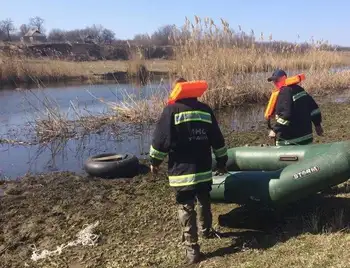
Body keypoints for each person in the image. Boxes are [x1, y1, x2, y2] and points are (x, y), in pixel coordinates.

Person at [149, 78, 228, 264]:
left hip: (182, 171)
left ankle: (192, 250)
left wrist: (154, 161)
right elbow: (218, 140)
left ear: (177, 91)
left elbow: (160, 141)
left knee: (186, 207)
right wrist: (222, 161)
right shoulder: (205, 110)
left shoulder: (171, 111)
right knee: (204, 200)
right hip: (203, 168)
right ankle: (207, 230)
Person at [266, 69, 324, 145]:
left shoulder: (284, 92)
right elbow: (314, 108)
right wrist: (317, 124)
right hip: (307, 137)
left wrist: (275, 130)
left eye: (277, 80)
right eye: (274, 81)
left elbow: (286, 115)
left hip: (291, 141)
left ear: (284, 79)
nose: (275, 83)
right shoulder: (300, 89)